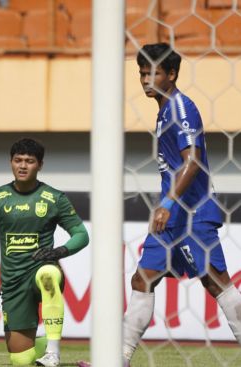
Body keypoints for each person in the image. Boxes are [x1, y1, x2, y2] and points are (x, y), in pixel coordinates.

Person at [77, 43, 241, 367]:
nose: (145, 79)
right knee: (142, 279)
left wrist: (167, 202)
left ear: (172, 74)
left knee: (217, 284)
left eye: (153, 72)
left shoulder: (181, 107)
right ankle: (117, 360)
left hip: (191, 214)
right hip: (171, 218)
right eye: (141, 72)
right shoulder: (164, 109)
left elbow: (192, 162)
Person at [0, 138, 89, 367]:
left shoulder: (54, 198)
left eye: (29, 161)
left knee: (48, 274)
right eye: (18, 160)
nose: (23, 166)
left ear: (40, 165)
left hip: (42, 270)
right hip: (13, 281)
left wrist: (58, 251)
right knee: (21, 359)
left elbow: (81, 235)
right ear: (10, 162)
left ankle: (53, 352)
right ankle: (46, 342)